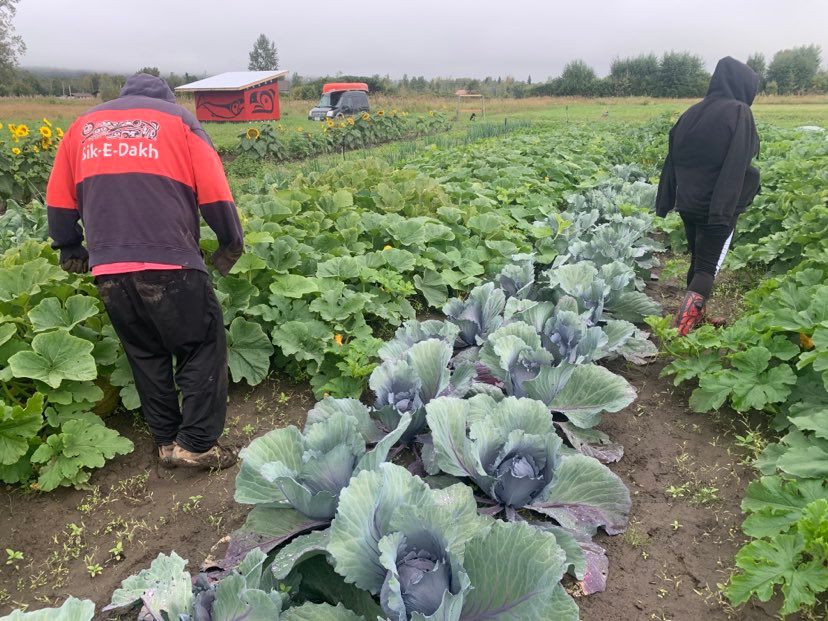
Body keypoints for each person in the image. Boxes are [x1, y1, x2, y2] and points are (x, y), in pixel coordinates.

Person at [46, 73, 244, 469]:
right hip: (170, 260)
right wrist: (230, 241)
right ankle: (198, 444)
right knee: (201, 345)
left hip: (109, 268)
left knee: (146, 354)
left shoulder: (82, 127)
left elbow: (57, 195)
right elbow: (215, 188)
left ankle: (168, 442)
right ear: (167, 98)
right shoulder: (179, 121)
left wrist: (69, 245)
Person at [656, 57, 760, 336]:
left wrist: (666, 200)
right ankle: (681, 330)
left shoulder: (691, 113)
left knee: (697, 260)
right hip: (717, 204)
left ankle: (696, 319)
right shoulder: (739, 112)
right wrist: (723, 210)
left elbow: (672, 159)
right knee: (706, 267)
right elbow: (737, 164)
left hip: (688, 203)